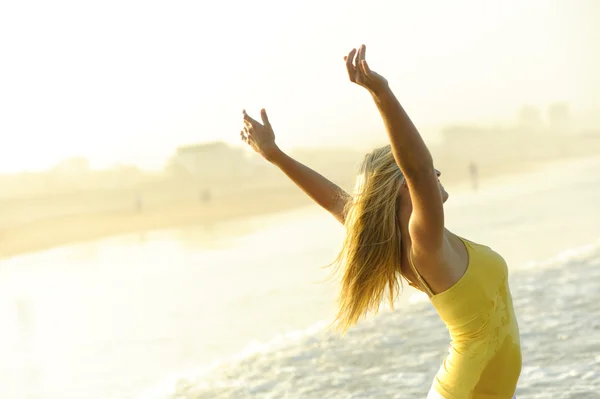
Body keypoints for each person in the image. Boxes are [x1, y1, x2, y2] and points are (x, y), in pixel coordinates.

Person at [240, 45, 521, 399]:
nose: (436, 172)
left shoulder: (402, 243)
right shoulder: (425, 244)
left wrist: (276, 156)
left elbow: (336, 202)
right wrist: (381, 93)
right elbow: (418, 167)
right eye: (425, 173)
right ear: (405, 184)